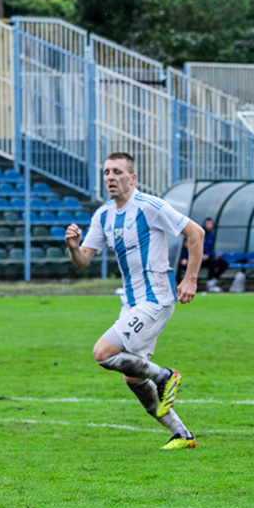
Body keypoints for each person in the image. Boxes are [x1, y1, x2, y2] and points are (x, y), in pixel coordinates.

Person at [64, 151, 204, 450]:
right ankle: (182, 435)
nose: (111, 177)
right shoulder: (103, 215)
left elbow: (196, 233)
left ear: (133, 177)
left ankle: (165, 376)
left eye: (117, 172)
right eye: (106, 172)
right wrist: (73, 247)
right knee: (133, 378)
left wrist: (190, 279)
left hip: (155, 300)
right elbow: (83, 260)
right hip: (131, 303)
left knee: (103, 353)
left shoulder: (150, 206)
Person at [178, 217, 229, 293]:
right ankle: (178, 285)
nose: (209, 225)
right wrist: (184, 258)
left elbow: (209, 249)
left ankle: (211, 282)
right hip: (192, 258)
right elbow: (187, 247)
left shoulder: (211, 235)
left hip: (205, 259)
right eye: (207, 224)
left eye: (210, 224)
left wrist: (211, 255)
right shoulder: (198, 233)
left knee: (221, 262)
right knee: (181, 266)